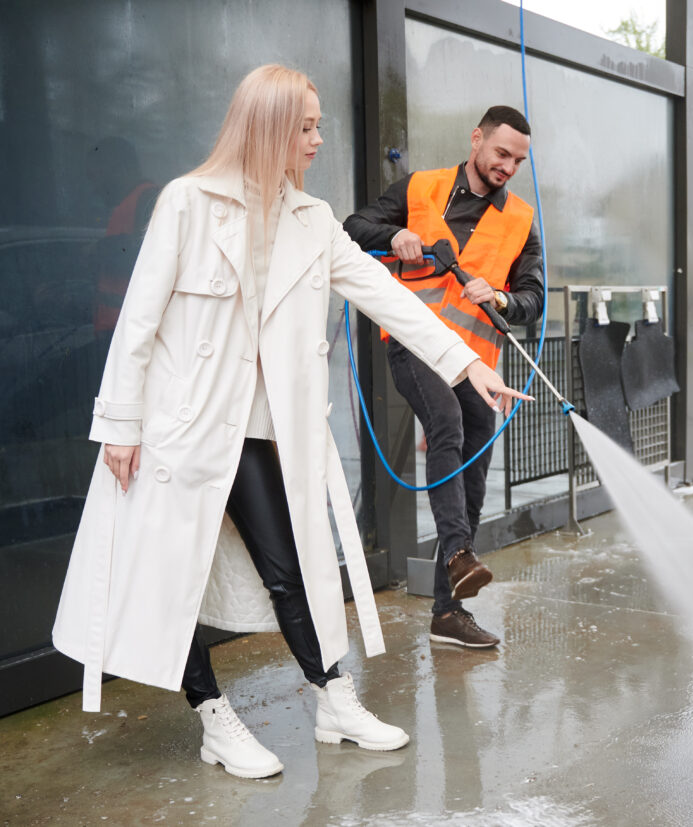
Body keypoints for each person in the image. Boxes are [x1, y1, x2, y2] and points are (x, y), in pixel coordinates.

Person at [51, 65, 528, 780]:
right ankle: (213, 714)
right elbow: (139, 320)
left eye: (317, 124)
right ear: (269, 126)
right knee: (164, 576)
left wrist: (469, 366)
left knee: (291, 570)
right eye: (306, 125)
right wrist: (119, 422)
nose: (318, 137)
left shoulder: (311, 220)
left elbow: (385, 297)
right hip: (176, 431)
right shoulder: (187, 203)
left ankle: (333, 699)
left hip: (256, 432)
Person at [343, 106, 543, 649]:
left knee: (474, 459)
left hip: (474, 363)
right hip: (415, 345)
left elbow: (533, 298)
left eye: (519, 160)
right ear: (476, 140)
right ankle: (457, 554)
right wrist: (399, 233)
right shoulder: (422, 188)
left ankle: (447, 612)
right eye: (501, 153)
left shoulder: (520, 220)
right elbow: (353, 227)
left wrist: (500, 296)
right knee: (448, 424)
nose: (508, 166)